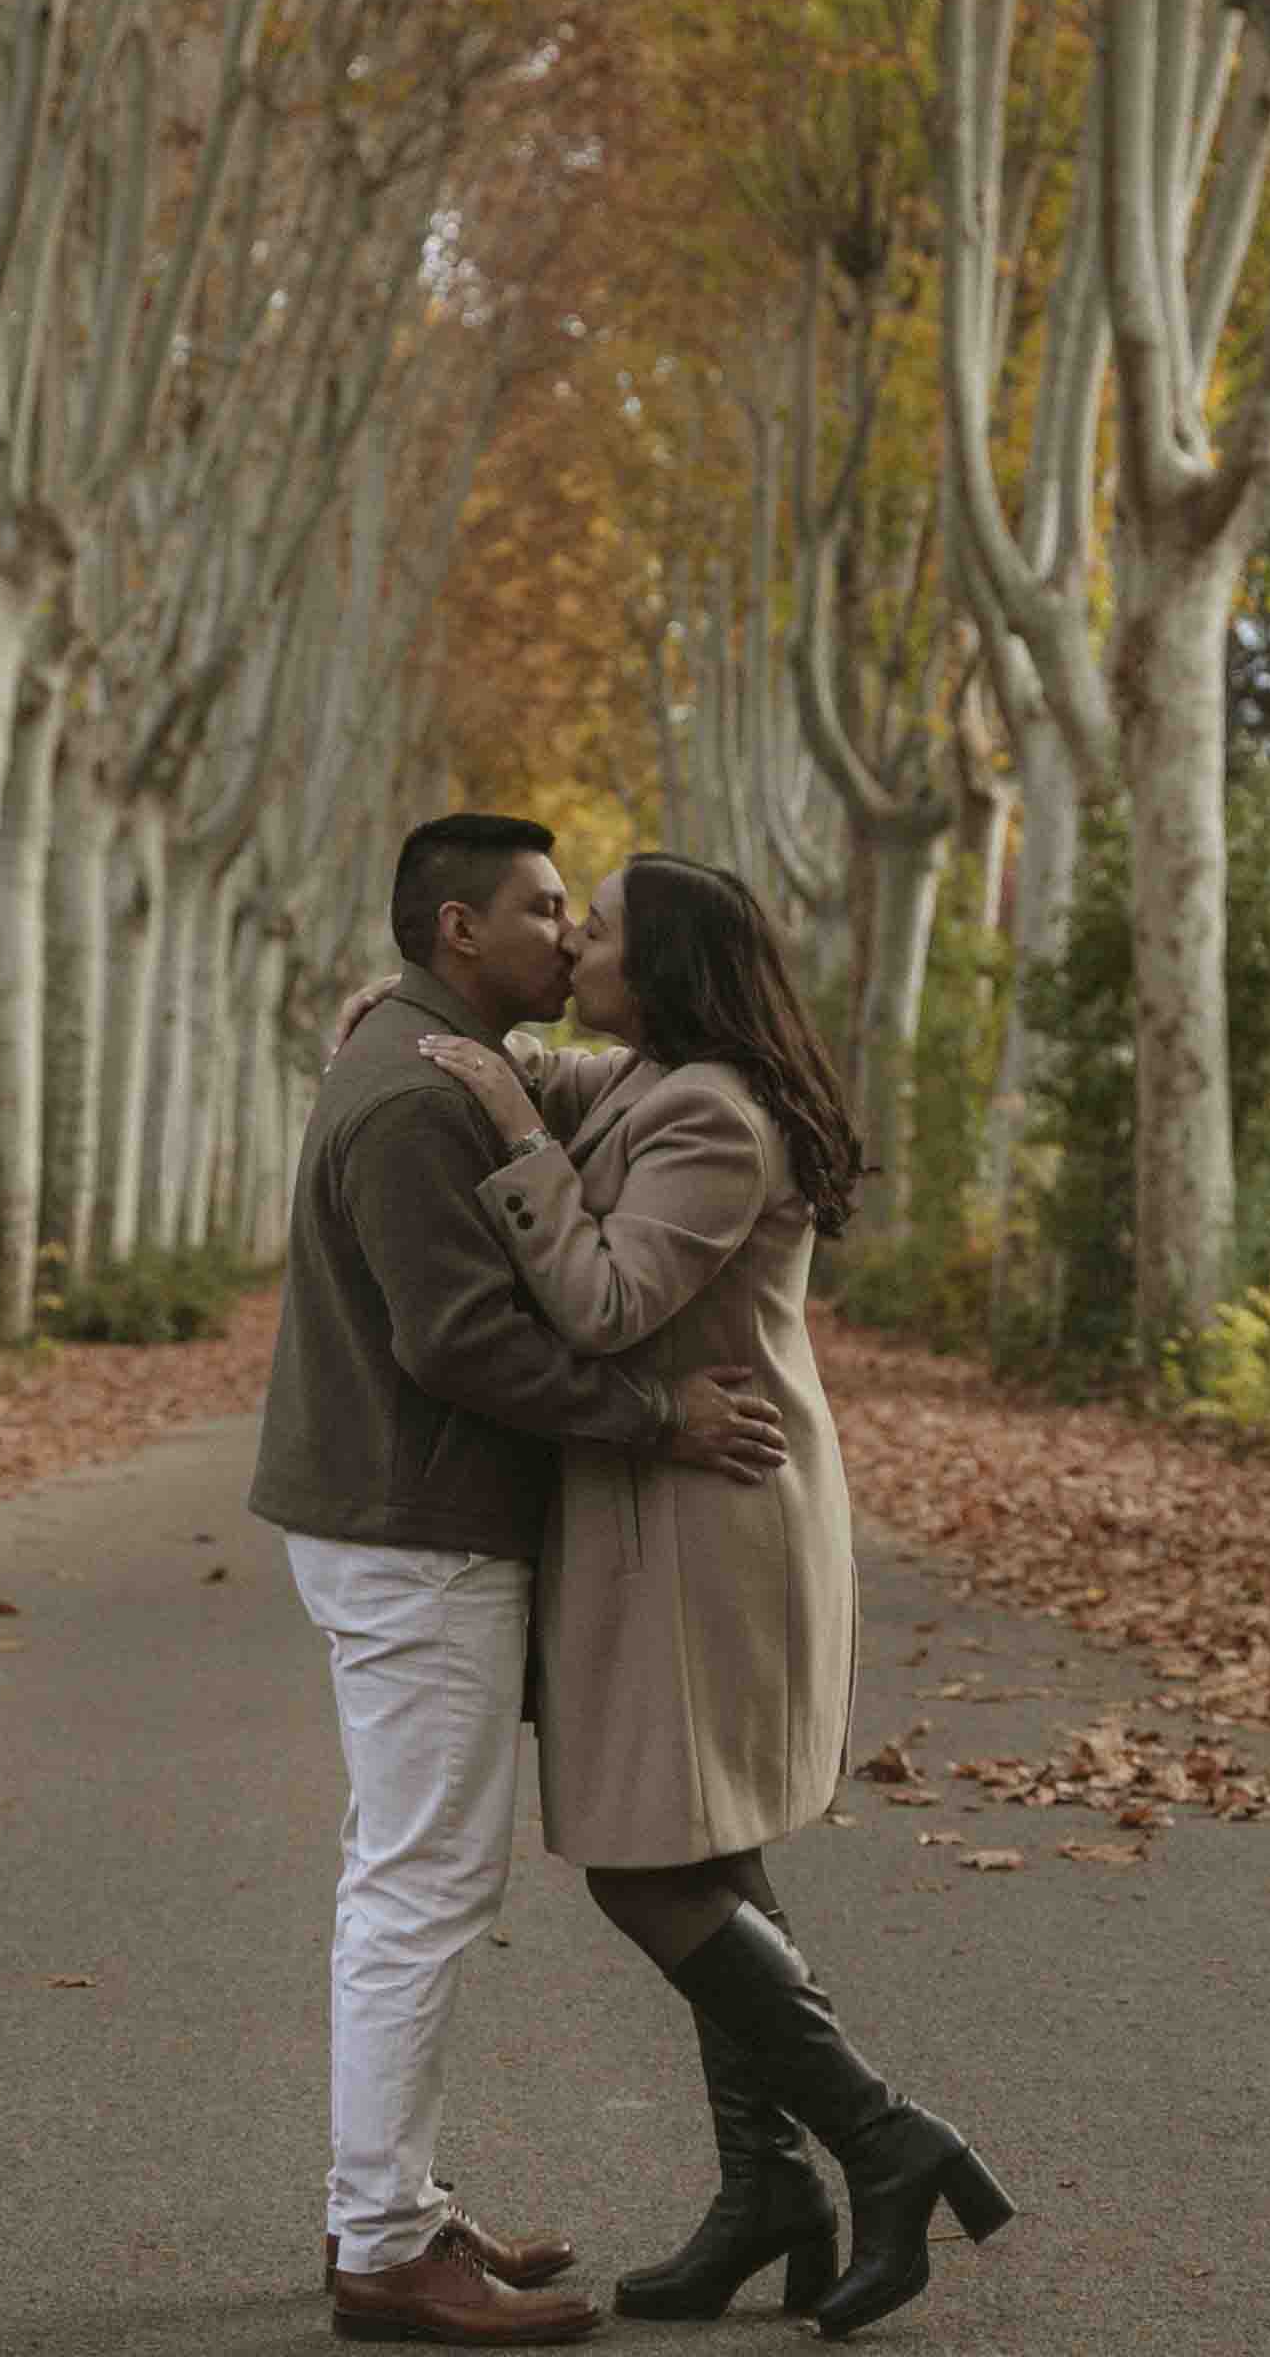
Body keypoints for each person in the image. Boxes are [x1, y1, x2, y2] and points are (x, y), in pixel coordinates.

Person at [406, 851, 1013, 2344]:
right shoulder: (656, 1078)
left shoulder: (714, 1117)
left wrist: (498, 1121)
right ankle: (769, 2191)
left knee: (645, 1859)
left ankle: (880, 2139)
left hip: (704, 1524)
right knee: (708, 1845)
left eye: (596, 931)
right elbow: (569, 1084)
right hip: (663, 1513)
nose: (575, 948)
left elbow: (607, 1298)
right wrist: (461, 1039)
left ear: (659, 969)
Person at [251, 813, 789, 2350]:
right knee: (422, 1889)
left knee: (403, 1875)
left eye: (582, 914)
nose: (569, 935)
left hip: (405, 1524)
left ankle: (396, 2207)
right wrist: (653, 1418)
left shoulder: (434, 1058)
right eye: (547, 910)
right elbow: (465, 1345)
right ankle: (382, 2249)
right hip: (416, 1534)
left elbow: (599, 1103)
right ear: (459, 933)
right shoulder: (418, 1105)